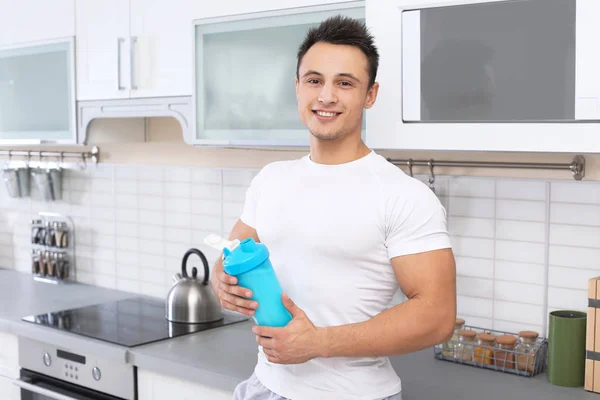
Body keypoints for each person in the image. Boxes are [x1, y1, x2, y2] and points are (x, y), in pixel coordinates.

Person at [210, 15, 457, 400]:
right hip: (264, 387)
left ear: (370, 95)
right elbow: (231, 256)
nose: (326, 96)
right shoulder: (270, 179)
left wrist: (319, 343)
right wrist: (222, 283)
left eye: (344, 83)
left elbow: (437, 317)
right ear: (297, 88)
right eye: (314, 80)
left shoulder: (403, 195)